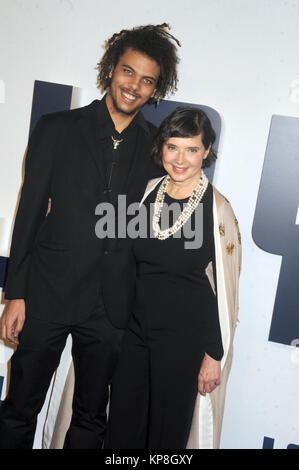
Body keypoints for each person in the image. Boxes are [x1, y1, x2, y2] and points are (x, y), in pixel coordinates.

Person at [0, 23, 180, 449]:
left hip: (112, 307)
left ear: (156, 89)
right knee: (20, 407)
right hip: (46, 292)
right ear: (111, 70)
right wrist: (16, 293)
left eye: (147, 79)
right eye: (128, 71)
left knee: (91, 418)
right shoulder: (57, 128)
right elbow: (28, 214)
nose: (134, 85)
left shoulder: (158, 150)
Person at [105, 107, 241, 449]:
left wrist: (214, 354)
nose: (180, 159)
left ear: (206, 151)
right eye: (172, 147)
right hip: (135, 333)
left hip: (184, 338)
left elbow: (226, 292)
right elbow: (114, 245)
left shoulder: (218, 209)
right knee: (122, 427)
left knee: (166, 438)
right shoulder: (148, 192)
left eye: (192, 149)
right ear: (161, 147)